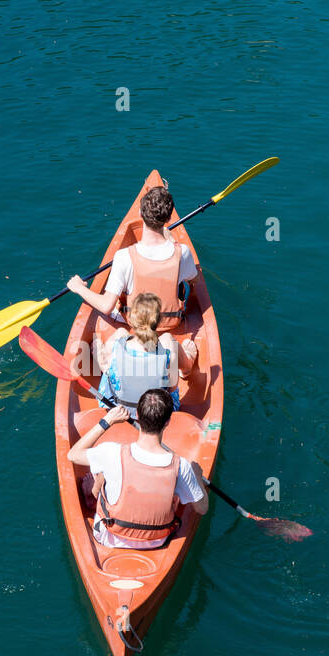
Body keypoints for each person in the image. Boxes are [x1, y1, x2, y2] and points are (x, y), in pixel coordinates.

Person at [67, 388, 208, 550]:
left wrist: (107, 421)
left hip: (108, 536)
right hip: (157, 541)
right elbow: (202, 509)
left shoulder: (112, 452)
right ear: (168, 421)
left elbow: (73, 455)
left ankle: (93, 492)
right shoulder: (182, 466)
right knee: (178, 491)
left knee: (101, 469)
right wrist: (196, 476)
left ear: (138, 416)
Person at [66, 185, 197, 325]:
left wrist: (79, 288)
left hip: (134, 324)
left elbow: (106, 306)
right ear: (169, 218)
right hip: (170, 323)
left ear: (140, 213)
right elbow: (194, 280)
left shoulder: (123, 257)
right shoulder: (182, 252)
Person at [96, 291, 197, 420]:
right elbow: (172, 389)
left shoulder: (117, 346)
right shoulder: (165, 354)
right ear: (159, 321)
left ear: (131, 319)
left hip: (117, 409)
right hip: (155, 413)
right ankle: (187, 365)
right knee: (168, 339)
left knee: (119, 334)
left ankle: (98, 350)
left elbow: (106, 368)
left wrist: (98, 350)